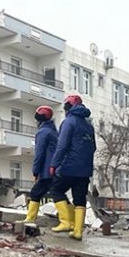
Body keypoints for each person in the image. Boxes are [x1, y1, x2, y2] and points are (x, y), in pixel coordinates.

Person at [48, 94, 96, 241]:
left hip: (69, 166)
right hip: (85, 169)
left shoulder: (68, 122)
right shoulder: (89, 125)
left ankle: (66, 222)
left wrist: (54, 164)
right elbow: (93, 147)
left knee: (56, 190)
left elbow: (61, 146)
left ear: (68, 107)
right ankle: (78, 231)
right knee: (79, 199)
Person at [18, 106, 58, 224]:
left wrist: (35, 171)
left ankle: (30, 219)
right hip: (55, 170)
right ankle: (71, 220)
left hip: (47, 171)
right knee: (57, 194)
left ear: (39, 120)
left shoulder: (43, 132)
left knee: (37, 193)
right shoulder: (54, 131)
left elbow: (39, 153)